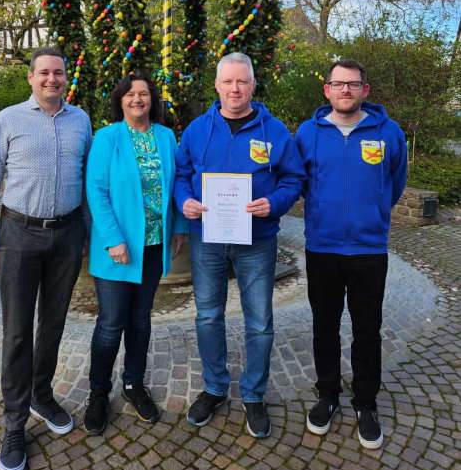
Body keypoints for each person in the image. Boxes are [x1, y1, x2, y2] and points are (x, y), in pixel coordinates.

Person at [174, 52, 305, 439]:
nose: (235, 88)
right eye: (228, 81)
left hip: (257, 240)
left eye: (242, 82)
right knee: (208, 315)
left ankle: (253, 393)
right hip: (208, 241)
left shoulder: (275, 130)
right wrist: (185, 201)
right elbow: (182, 174)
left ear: (253, 85)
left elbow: (293, 179)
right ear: (217, 85)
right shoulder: (198, 129)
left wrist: (275, 203)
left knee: (260, 320)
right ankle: (215, 387)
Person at [0, 47, 92, 470]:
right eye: (44, 73)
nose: (52, 79)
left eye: (58, 73)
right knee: (18, 331)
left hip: (66, 236)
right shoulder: (8, 119)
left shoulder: (81, 121)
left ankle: (42, 395)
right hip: (20, 235)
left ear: (66, 78)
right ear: (30, 77)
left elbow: (85, 181)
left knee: (54, 325)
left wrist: (86, 236)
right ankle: (13, 423)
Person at [295, 59, 407, 449]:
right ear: (326, 90)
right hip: (322, 248)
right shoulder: (308, 132)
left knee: (367, 330)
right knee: (324, 326)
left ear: (365, 90)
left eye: (353, 84)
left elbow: (396, 181)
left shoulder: (389, 133)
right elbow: (300, 180)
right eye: (338, 84)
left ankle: (366, 403)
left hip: (368, 249)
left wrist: (373, 213)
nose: (345, 90)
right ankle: (327, 395)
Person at [84, 70, 188, 434]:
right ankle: (98, 393)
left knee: (141, 319)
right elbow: (96, 190)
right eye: (130, 94)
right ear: (121, 99)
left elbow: (176, 183)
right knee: (111, 323)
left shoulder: (165, 136)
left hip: (154, 245)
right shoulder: (108, 137)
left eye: (143, 94)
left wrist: (178, 227)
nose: (137, 100)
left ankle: (133, 383)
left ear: (152, 100)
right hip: (117, 248)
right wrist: (113, 238)